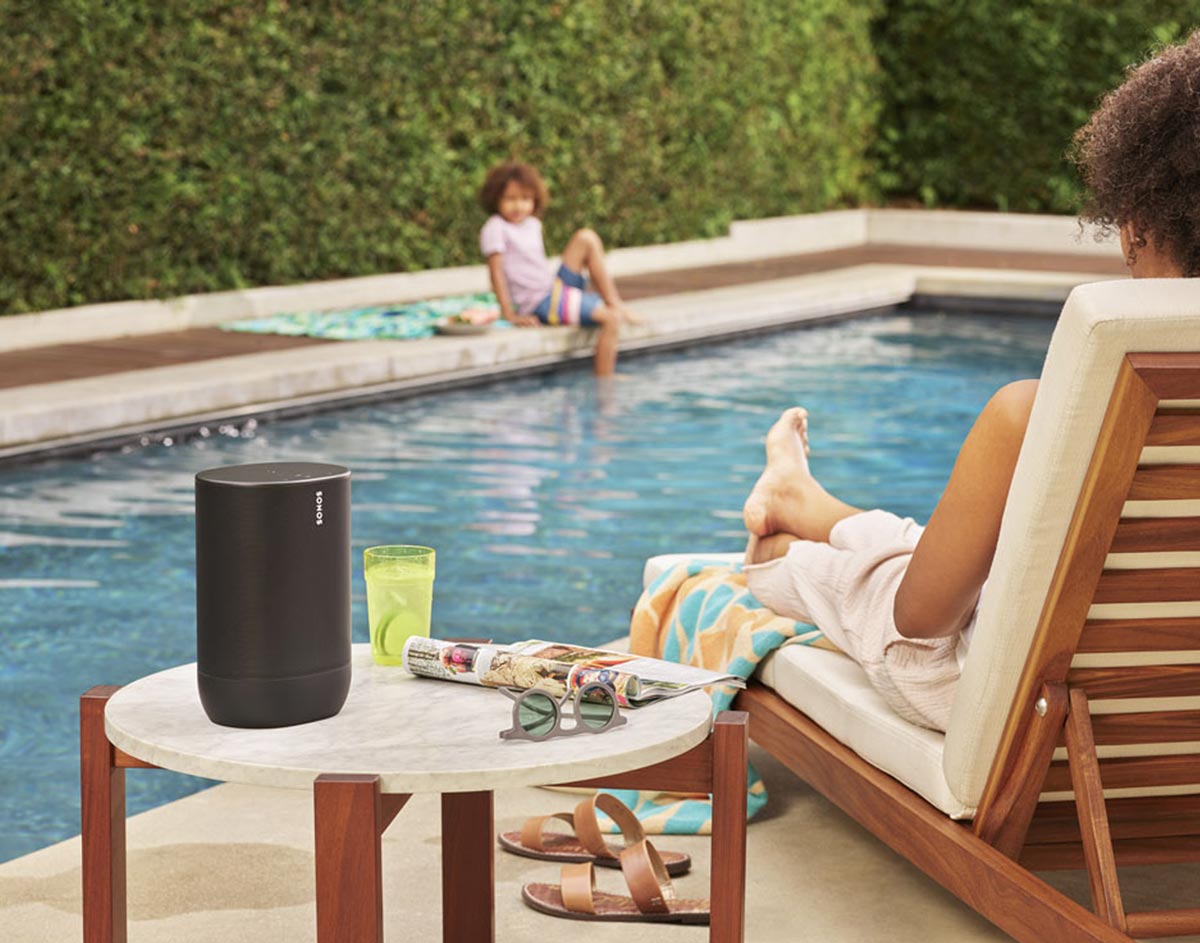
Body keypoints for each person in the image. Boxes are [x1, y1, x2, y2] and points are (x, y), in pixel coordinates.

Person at [739, 31, 1199, 732]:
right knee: (952, 559)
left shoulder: (1042, 416)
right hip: (1173, 712)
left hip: (1035, 713)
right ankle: (805, 496)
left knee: (829, 577)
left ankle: (790, 528)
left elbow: (918, 626)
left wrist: (792, 568)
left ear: (1133, 225)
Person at [479, 161, 638, 377]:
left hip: (552, 290)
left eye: (525, 199)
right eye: (510, 199)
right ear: (495, 198)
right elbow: (496, 273)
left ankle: (615, 302)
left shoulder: (533, 224)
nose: (518, 206)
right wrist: (509, 314)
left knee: (586, 238)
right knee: (611, 320)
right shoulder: (496, 227)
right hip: (540, 302)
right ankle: (605, 382)